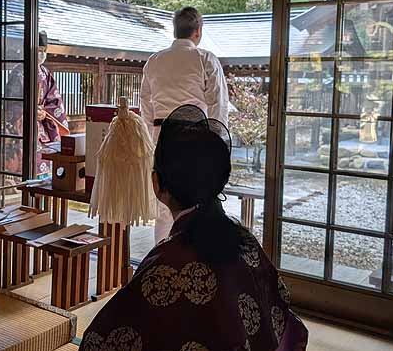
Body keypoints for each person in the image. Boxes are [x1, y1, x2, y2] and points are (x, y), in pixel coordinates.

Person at [80, 105, 308, 351]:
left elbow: (100, 341)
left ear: (156, 183)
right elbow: (284, 318)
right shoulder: (245, 240)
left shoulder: (164, 266)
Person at [140, 6, 230, 243]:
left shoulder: (154, 61)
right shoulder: (205, 59)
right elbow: (218, 105)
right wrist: (217, 145)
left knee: (165, 204)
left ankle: (163, 256)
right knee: (197, 202)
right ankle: (194, 258)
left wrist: (151, 138)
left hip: (162, 137)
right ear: (198, 31)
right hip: (196, 138)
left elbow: (146, 106)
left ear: (175, 31)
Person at [4, 31, 69, 177]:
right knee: (25, 162)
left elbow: (55, 100)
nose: (42, 54)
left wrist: (45, 113)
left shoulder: (45, 73)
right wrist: (29, 111)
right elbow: (12, 102)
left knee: (47, 158)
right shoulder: (18, 73)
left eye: (44, 50)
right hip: (24, 125)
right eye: (39, 50)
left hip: (43, 125)